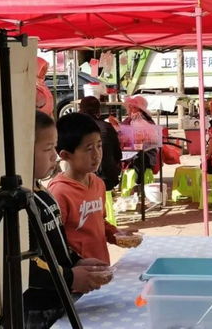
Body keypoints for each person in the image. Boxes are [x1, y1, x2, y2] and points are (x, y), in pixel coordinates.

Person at [24, 111, 112, 328]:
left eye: (54, 148)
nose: (54, 156)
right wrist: (71, 277)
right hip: (38, 307)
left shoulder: (42, 193)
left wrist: (77, 261)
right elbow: (27, 263)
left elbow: (57, 242)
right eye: (47, 149)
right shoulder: (22, 201)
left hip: (61, 296)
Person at [48, 113, 139, 265]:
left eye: (99, 145)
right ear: (65, 155)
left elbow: (99, 222)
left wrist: (116, 234)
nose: (97, 155)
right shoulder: (59, 192)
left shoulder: (98, 184)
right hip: (79, 277)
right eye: (88, 149)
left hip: (101, 267)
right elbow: (55, 241)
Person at [79, 96, 122, 191]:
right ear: (98, 110)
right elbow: (118, 155)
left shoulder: (72, 127)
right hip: (106, 175)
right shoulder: (106, 127)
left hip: (81, 176)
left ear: (80, 109)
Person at [121, 94, 159, 179]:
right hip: (128, 151)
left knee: (138, 159)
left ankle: (139, 180)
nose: (130, 109)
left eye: (133, 107)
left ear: (140, 109)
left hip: (146, 154)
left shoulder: (147, 121)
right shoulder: (128, 120)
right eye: (129, 107)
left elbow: (152, 140)